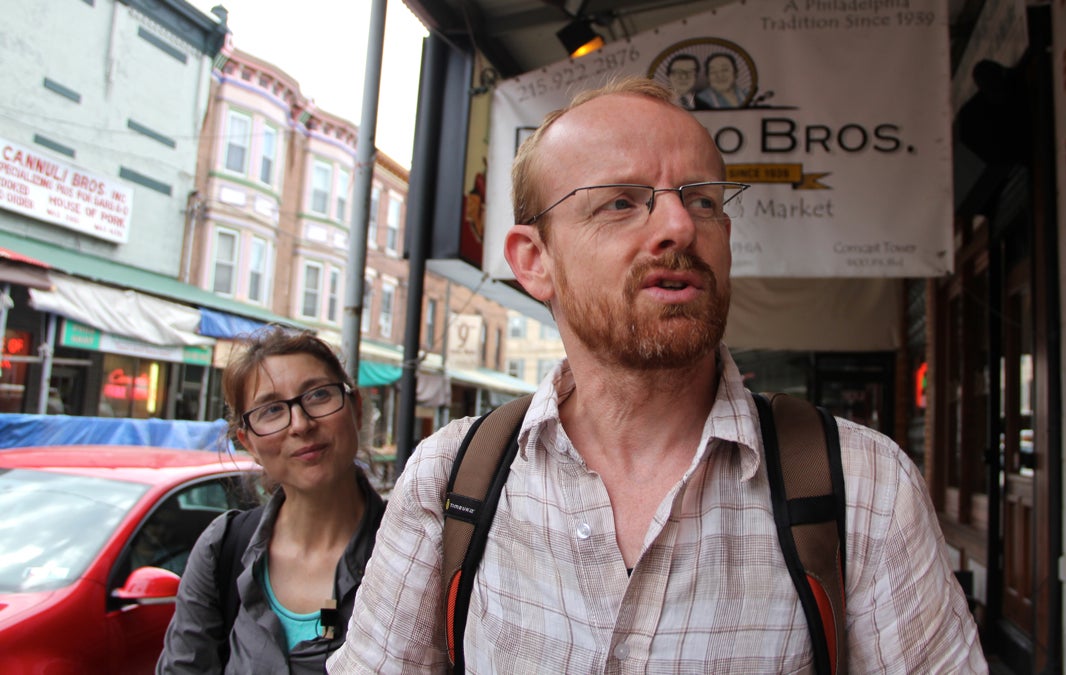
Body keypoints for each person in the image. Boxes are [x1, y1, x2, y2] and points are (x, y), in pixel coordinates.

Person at [330, 78, 985, 673]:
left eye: (702, 200)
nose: (679, 225)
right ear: (535, 260)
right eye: (620, 202)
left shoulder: (865, 485)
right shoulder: (450, 478)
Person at [158, 328, 384, 674]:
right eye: (272, 410)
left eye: (318, 395)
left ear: (355, 409)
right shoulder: (223, 548)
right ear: (248, 443)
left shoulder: (411, 548)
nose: (300, 424)